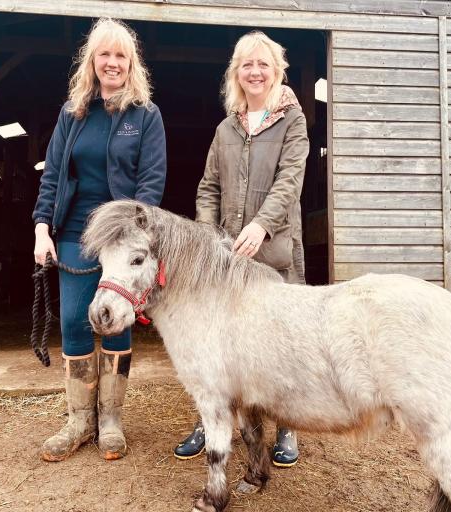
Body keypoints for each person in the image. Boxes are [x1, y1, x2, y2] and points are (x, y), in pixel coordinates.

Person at [32, 17, 166, 462]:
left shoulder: (145, 115)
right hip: (74, 231)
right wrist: (40, 227)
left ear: (132, 64)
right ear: (92, 60)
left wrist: (133, 237)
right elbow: (51, 174)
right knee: (73, 320)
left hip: (121, 236)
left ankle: (110, 420)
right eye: (105, 54)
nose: (112, 63)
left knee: (114, 319)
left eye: (121, 56)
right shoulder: (72, 113)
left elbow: (150, 181)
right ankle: (78, 422)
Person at [173, 31, 308, 467]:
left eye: (263, 64)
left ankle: (286, 425)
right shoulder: (225, 128)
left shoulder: (293, 121)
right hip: (227, 256)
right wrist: (207, 238)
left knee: (282, 341)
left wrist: (261, 226)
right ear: (237, 72)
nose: (255, 71)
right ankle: (213, 420)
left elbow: (290, 181)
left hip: (274, 249)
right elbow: (208, 187)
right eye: (246, 65)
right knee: (222, 343)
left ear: (276, 71)